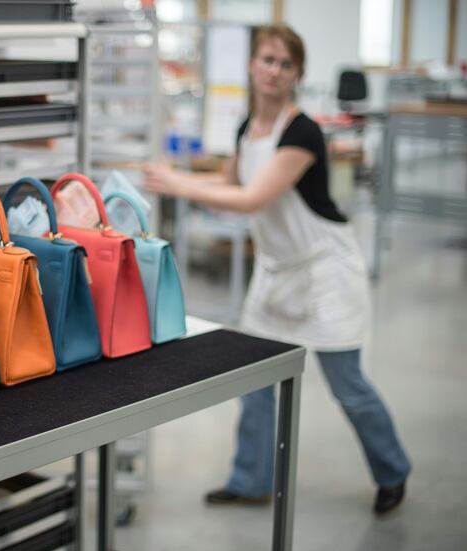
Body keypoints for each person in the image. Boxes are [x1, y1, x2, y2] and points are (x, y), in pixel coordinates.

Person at [143, 24, 411, 515]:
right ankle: (251, 480)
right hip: (276, 271)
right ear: (252, 65)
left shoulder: (302, 131)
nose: (274, 70)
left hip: (325, 272)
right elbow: (229, 181)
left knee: (347, 385)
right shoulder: (247, 128)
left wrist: (176, 183)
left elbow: (252, 198)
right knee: (257, 378)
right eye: (267, 59)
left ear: (297, 75)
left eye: (285, 64)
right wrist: (173, 166)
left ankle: (394, 470)